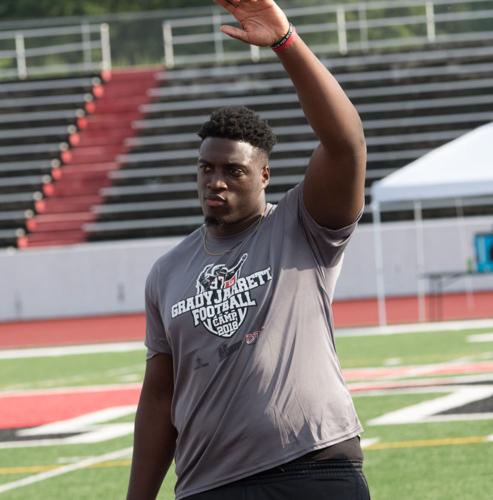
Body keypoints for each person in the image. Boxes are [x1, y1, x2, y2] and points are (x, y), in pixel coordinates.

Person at [126, 0, 368, 499]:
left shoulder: (302, 226)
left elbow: (346, 144)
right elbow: (159, 396)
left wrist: (285, 43)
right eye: (206, 168)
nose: (216, 181)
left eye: (233, 171)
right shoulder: (167, 271)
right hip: (210, 484)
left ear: (263, 176)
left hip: (314, 468)